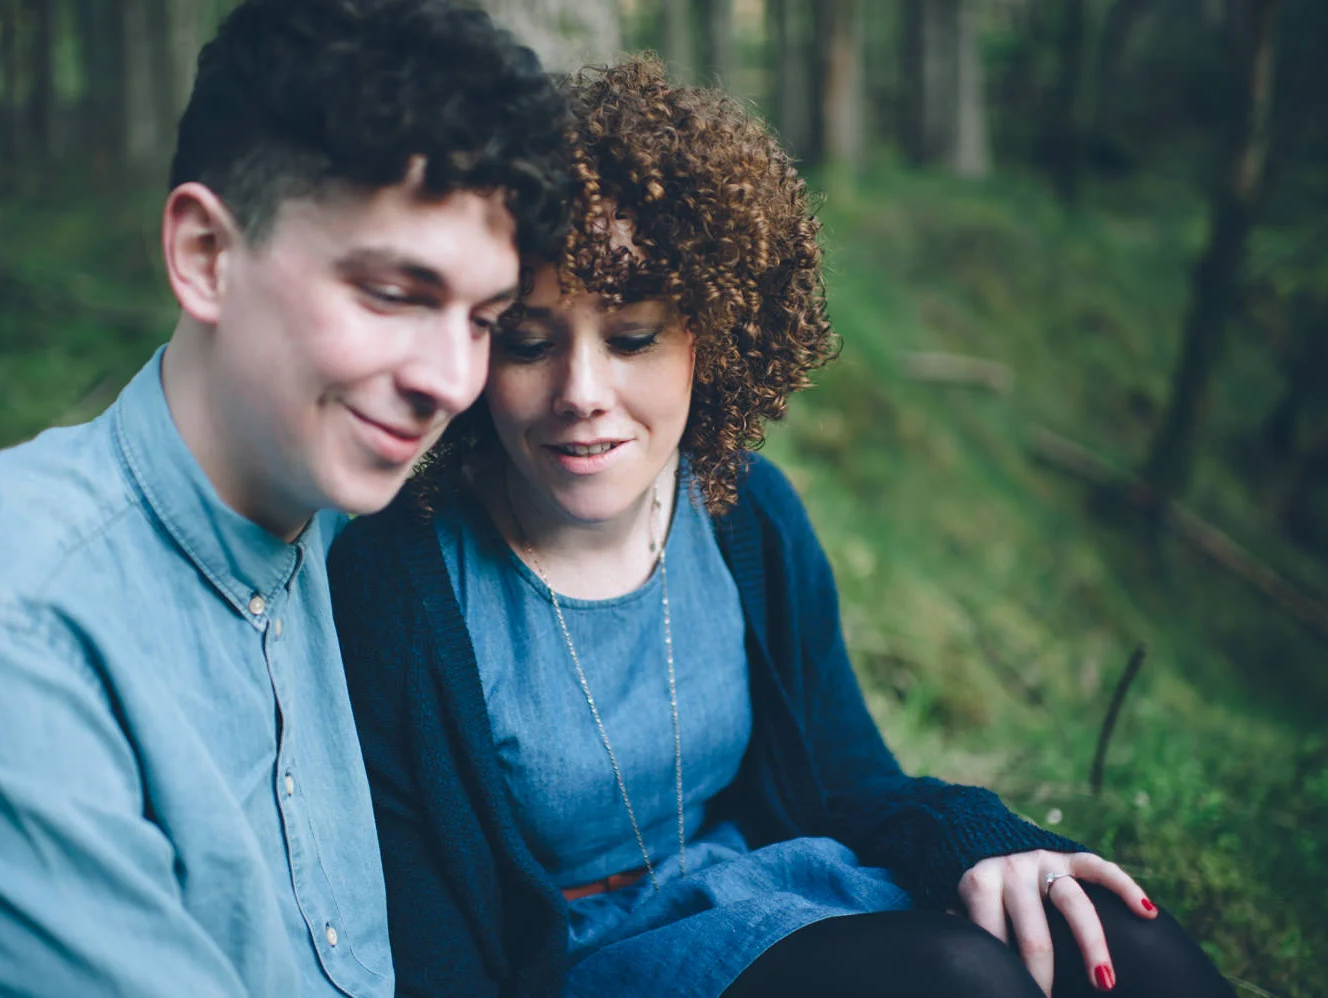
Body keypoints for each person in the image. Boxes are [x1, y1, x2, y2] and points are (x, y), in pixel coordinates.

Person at [327, 58, 1235, 998]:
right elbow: (428, 937)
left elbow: (850, 780)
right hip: (584, 964)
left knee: (1134, 955)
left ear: (709, 337)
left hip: (777, 892)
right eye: (526, 342)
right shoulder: (399, 579)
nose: (581, 395)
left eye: (633, 336)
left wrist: (983, 841)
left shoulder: (747, 513)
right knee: (962, 982)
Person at [0, 2, 569, 995]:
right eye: (394, 293)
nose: (449, 377)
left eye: (483, 320)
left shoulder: (354, 516)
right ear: (205, 256)